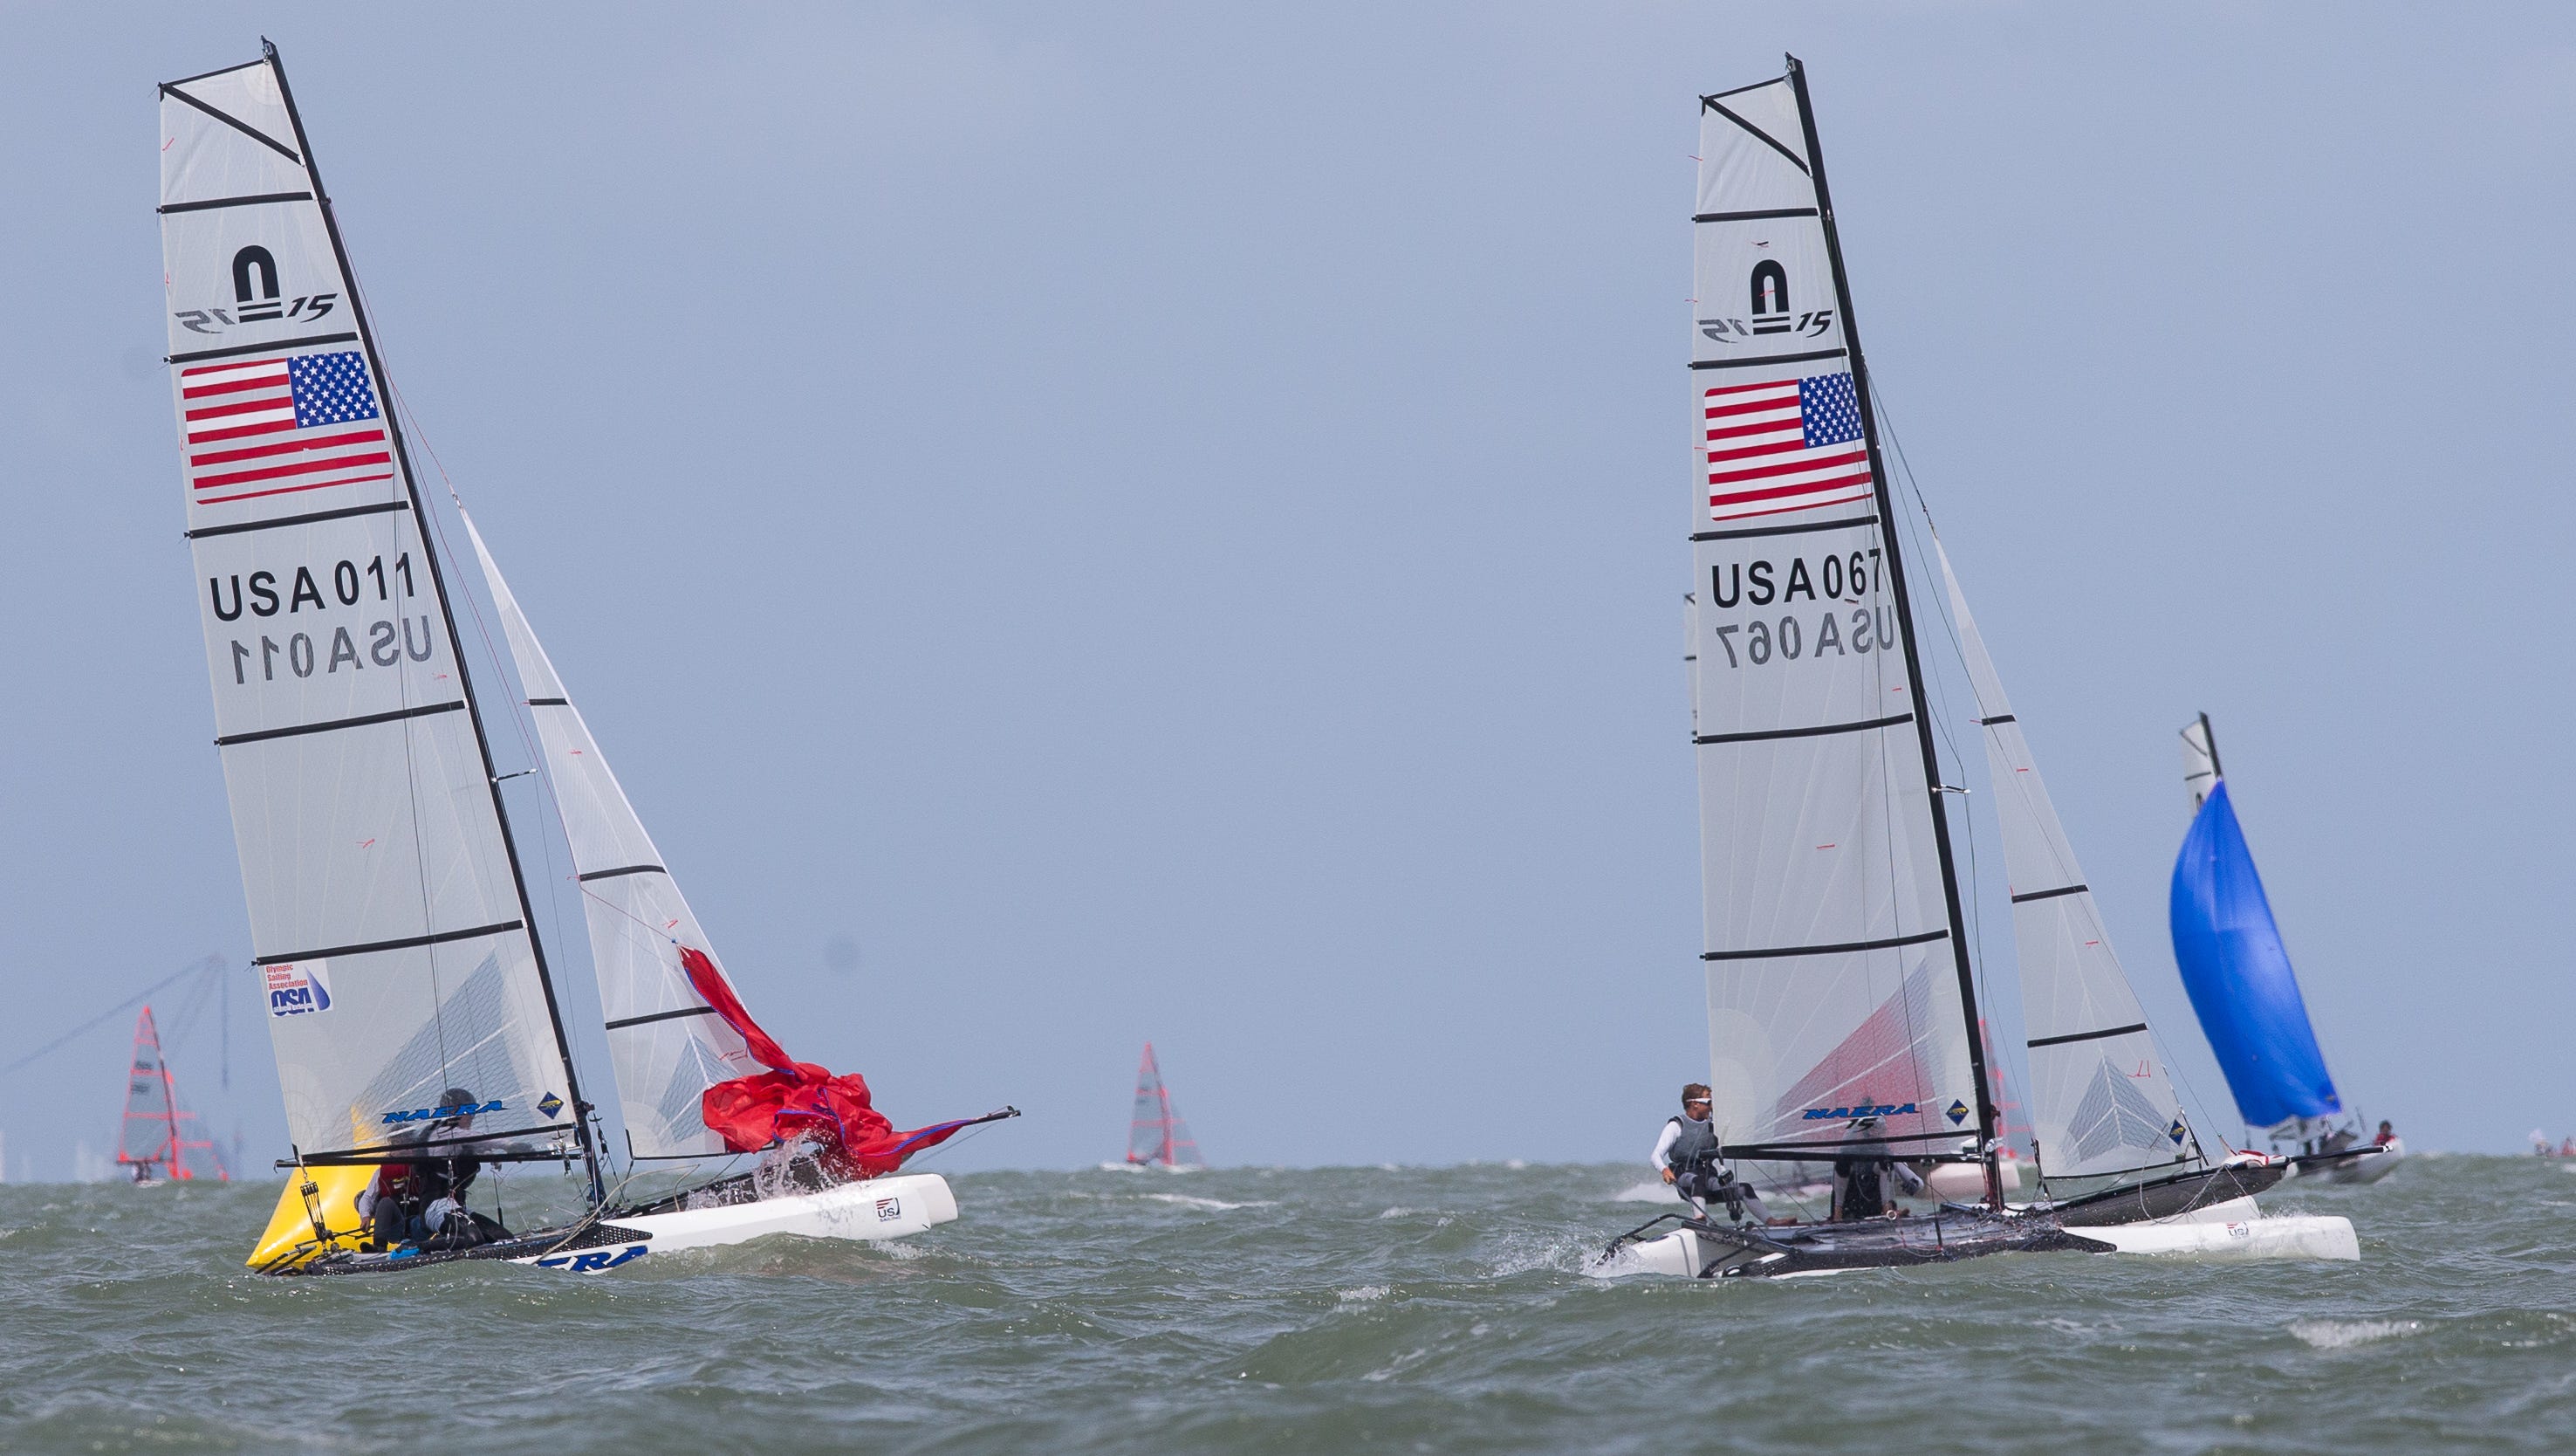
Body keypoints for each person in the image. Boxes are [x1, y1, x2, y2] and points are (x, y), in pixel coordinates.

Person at [357, 1088, 510, 1250]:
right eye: (468, 1111)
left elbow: (468, 1144)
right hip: (412, 1220)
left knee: (501, 1237)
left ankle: (437, 1243)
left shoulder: (444, 1144)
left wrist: (489, 1153)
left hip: (431, 1219)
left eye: (409, 1143)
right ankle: (381, 1247)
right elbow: (368, 1197)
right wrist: (365, 1215)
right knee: (386, 1203)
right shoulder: (438, 1136)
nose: (472, 1115)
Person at [1652, 1083, 1771, 1224]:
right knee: (1698, 1180)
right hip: (1686, 1177)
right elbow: (1655, 1155)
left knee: (1745, 1188)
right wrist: (1665, 1170)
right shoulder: (1677, 1125)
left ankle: (1771, 1221)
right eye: (1708, 1102)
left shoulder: (1714, 1126)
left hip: (1710, 1178)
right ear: (1695, 1104)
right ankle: (1699, 1220)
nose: (1711, 1107)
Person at [1830, 1149, 1927, 1221]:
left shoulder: (1889, 1157)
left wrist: (1913, 1184)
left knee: (1886, 1162)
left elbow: (1919, 1183)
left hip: (1878, 1209)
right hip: (1850, 1209)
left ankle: (1887, 1210)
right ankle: (1838, 1213)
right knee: (1842, 1163)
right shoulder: (1848, 1156)